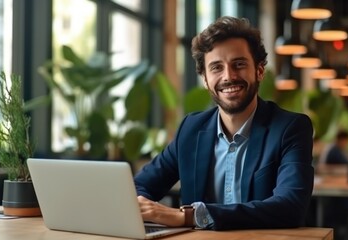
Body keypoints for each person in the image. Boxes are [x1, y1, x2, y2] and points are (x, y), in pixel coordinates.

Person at [134, 16, 314, 230]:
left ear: (259, 71)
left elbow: (290, 207)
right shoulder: (191, 130)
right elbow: (139, 187)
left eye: (239, 64)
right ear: (205, 79)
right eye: (216, 67)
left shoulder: (290, 128)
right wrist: (141, 205)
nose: (228, 76)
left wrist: (190, 217)